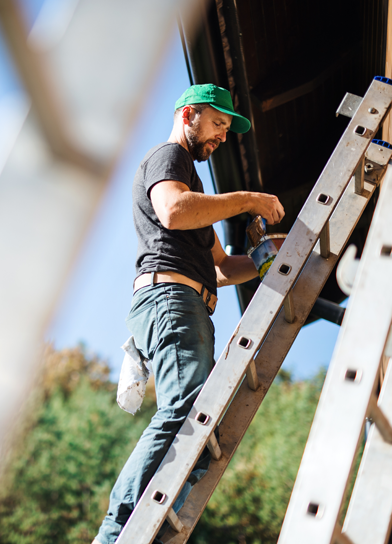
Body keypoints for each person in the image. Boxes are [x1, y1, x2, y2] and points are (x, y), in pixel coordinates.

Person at [93, 84, 284, 544]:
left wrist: (268, 256)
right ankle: (117, 532)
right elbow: (173, 212)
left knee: (199, 419)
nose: (221, 136)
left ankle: (150, 528)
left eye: (225, 129)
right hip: (170, 301)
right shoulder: (168, 158)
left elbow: (220, 268)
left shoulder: (194, 188)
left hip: (188, 302)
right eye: (217, 123)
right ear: (189, 115)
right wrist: (249, 200)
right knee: (187, 412)